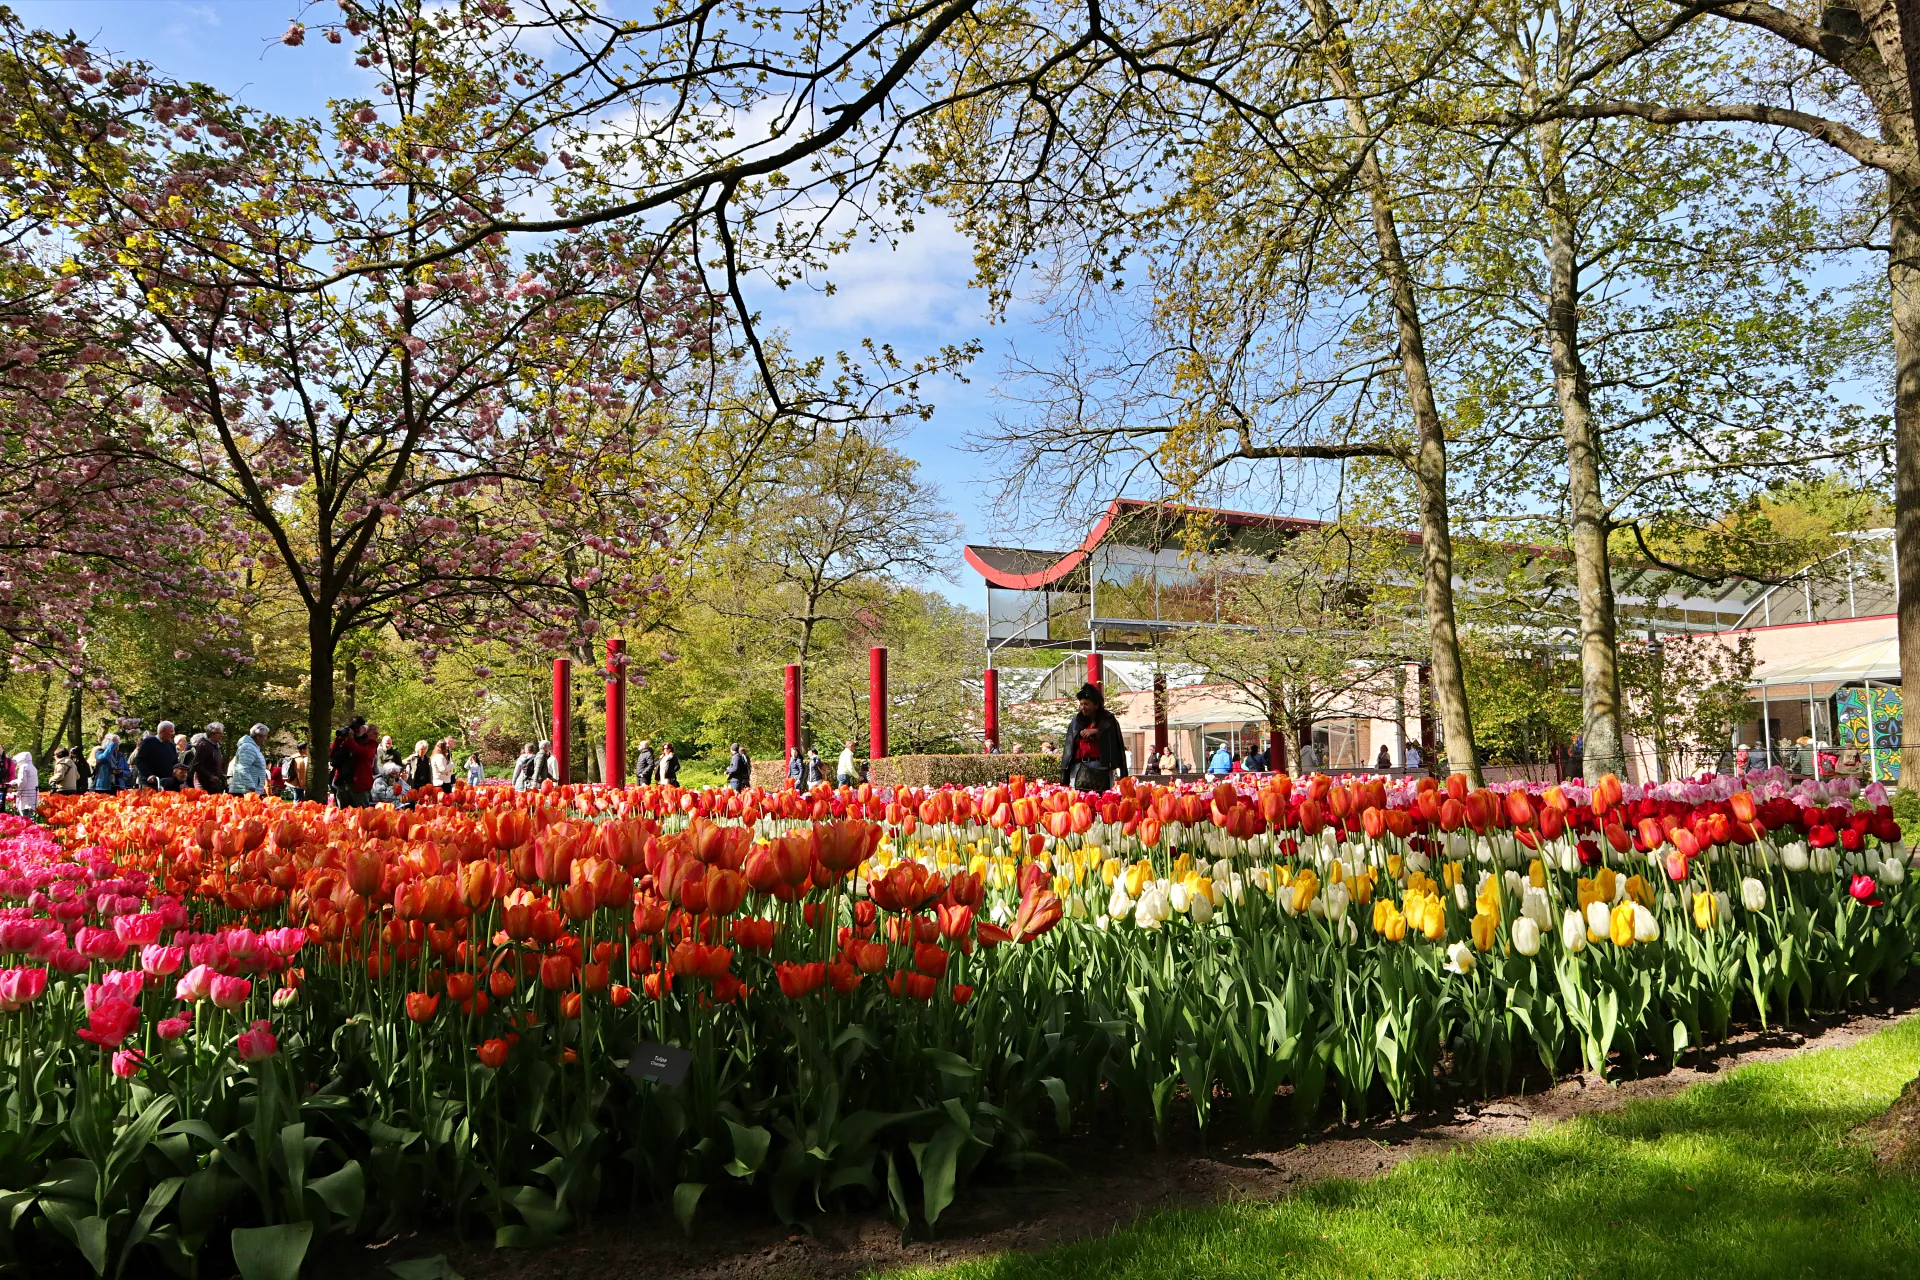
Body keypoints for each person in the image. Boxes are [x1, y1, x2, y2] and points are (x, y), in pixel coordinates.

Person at [1058, 682, 1127, 792]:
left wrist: (1097, 732)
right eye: (1081, 704)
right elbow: (1069, 747)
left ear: (1096, 705)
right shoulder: (1076, 721)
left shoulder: (1108, 719)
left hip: (1101, 767)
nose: (1083, 707)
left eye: (1086, 704)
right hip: (1079, 767)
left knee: (1101, 799)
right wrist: (1080, 734)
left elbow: (1115, 742)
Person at [132, 721, 179, 789]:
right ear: (162, 731)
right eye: (171, 731)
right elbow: (139, 760)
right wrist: (148, 775)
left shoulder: (171, 746)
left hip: (167, 783)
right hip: (151, 783)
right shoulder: (148, 742)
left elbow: (175, 762)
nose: (173, 734)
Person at [229, 724, 269, 796]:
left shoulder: (254, 748)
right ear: (258, 736)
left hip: (249, 791)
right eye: (265, 736)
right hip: (244, 791)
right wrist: (251, 786)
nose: (266, 738)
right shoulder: (248, 748)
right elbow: (242, 768)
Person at [190, 723, 227, 793]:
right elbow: (196, 765)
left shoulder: (216, 746)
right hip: (203, 785)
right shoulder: (204, 745)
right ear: (211, 733)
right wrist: (210, 777)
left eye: (222, 733)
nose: (221, 736)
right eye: (219, 733)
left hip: (214, 785)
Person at [9, 751, 37, 820]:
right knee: (30, 813)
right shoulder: (33, 767)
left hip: (26, 792)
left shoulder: (23, 767)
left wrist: (19, 792)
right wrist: (15, 781)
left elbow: (22, 781)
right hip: (33, 792)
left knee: (24, 813)